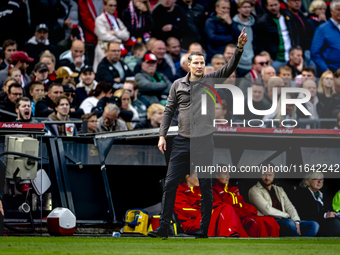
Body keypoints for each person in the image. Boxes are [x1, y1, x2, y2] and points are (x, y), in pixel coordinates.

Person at [148, 28, 247, 238]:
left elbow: (230, 68)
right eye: (197, 63)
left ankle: (204, 229)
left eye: (203, 63)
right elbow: (168, 111)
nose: (200, 66)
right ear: (189, 65)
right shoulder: (177, 85)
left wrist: (239, 48)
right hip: (182, 140)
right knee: (170, 184)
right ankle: (163, 228)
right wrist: (162, 135)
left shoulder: (211, 80)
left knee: (205, 186)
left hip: (204, 141)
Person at [248, 169, 319, 237]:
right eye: (264, 175)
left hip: (286, 219)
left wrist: (296, 221)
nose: (267, 178)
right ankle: (297, 244)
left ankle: (302, 244)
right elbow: (267, 210)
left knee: (314, 225)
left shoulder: (279, 189)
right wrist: (287, 216)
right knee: (290, 223)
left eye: (270, 175)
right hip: (271, 221)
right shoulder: (254, 190)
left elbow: (289, 206)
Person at [174, 173, 248, 237]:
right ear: (188, 177)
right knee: (225, 209)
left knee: (226, 208)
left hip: (204, 217)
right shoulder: (179, 191)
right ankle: (230, 234)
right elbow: (185, 210)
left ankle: (233, 233)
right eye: (197, 176)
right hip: (191, 222)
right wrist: (207, 212)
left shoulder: (201, 190)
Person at [213, 171, 280, 237]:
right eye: (225, 174)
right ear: (217, 176)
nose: (228, 176)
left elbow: (242, 204)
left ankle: (275, 244)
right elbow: (222, 209)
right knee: (258, 223)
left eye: (228, 174)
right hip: (234, 219)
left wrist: (249, 210)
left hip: (244, 215)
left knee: (270, 220)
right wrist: (243, 212)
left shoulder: (234, 189)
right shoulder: (213, 191)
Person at [257, 0, 298, 72]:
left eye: (275, 5)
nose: (274, 7)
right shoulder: (262, 21)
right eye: (271, 5)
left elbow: (295, 34)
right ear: (267, 6)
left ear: (279, 4)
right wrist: (267, 56)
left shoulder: (287, 16)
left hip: (290, 58)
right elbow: (260, 42)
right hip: (275, 59)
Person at [94, 0, 130, 71]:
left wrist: (115, 32)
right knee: (104, 70)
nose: (113, 8)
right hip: (103, 49)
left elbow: (126, 35)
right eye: (110, 5)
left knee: (117, 70)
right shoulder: (99, 19)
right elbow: (103, 36)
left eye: (114, 6)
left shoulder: (117, 20)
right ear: (105, 6)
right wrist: (119, 39)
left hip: (117, 49)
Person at [311, 0, 340, 73]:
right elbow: (315, 53)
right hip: (332, 72)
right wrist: (326, 70)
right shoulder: (322, 29)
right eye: (338, 10)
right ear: (331, 11)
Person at [233, 0, 258, 77]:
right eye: (244, 7)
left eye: (249, 7)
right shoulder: (233, 23)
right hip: (238, 62)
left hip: (250, 61)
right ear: (238, 9)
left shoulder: (254, 23)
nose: (247, 9)